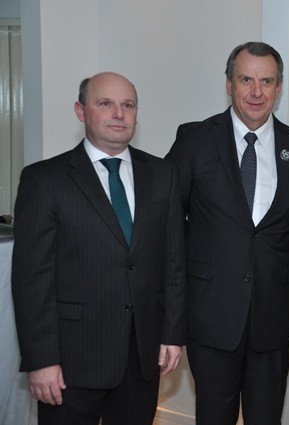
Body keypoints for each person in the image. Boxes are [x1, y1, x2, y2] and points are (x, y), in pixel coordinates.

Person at [11, 72, 186, 425]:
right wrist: (41, 360)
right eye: (106, 103)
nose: (119, 113)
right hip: (69, 363)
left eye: (128, 105)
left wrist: (172, 333)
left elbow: (173, 261)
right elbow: (31, 280)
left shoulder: (162, 175)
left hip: (141, 358)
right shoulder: (44, 179)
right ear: (81, 111)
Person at [165, 41, 289, 425]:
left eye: (266, 81)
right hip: (210, 315)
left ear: (279, 88)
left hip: (274, 320)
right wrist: (170, 314)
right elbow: (167, 224)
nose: (256, 91)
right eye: (246, 79)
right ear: (229, 84)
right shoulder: (194, 140)